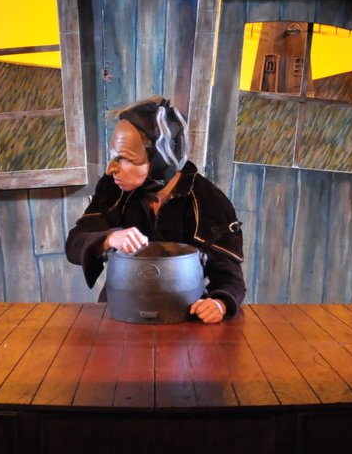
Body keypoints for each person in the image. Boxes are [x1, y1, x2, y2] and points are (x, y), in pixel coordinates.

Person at [65, 96, 246, 323]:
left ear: (160, 160)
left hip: (183, 316)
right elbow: (74, 244)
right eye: (113, 157)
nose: (111, 169)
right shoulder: (113, 190)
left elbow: (230, 276)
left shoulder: (209, 201)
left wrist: (219, 303)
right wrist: (109, 238)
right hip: (120, 312)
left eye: (125, 159)